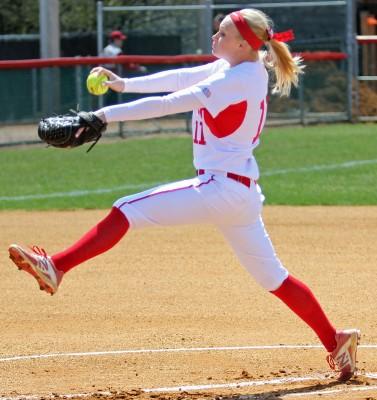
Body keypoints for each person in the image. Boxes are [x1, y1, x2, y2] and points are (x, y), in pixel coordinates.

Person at [9, 8, 360, 382]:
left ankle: (57, 266)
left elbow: (170, 103)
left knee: (126, 209)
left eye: (222, 34)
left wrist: (103, 116)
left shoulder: (239, 78)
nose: (215, 38)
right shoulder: (233, 68)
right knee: (274, 278)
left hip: (221, 187)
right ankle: (335, 339)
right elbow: (178, 77)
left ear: (243, 44)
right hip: (238, 193)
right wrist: (124, 84)